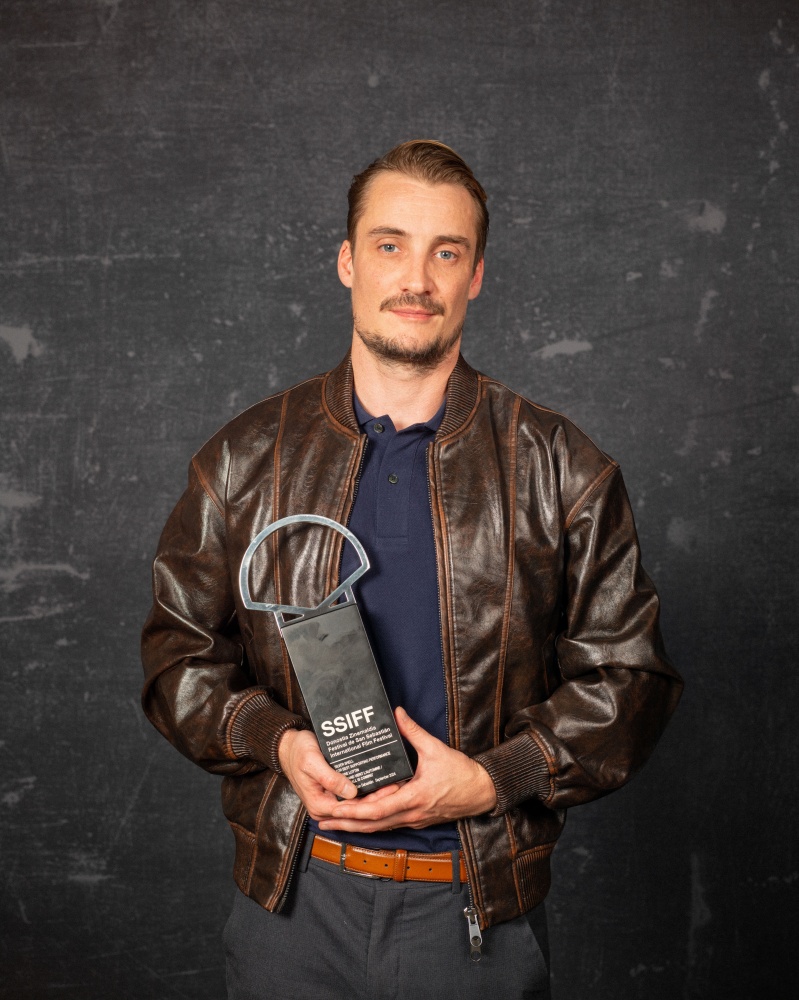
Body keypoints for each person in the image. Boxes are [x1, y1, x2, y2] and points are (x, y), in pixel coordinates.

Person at [141, 140, 682, 999]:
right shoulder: (244, 459)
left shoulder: (561, 469)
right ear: (348, 261)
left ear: (476, 276)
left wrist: (492, 779)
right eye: (390, 245)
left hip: (473, 914)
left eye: (447, 252)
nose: (416, 279)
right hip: (293, 905)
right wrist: (277, 742)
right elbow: (177, 656)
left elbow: (630, 680)